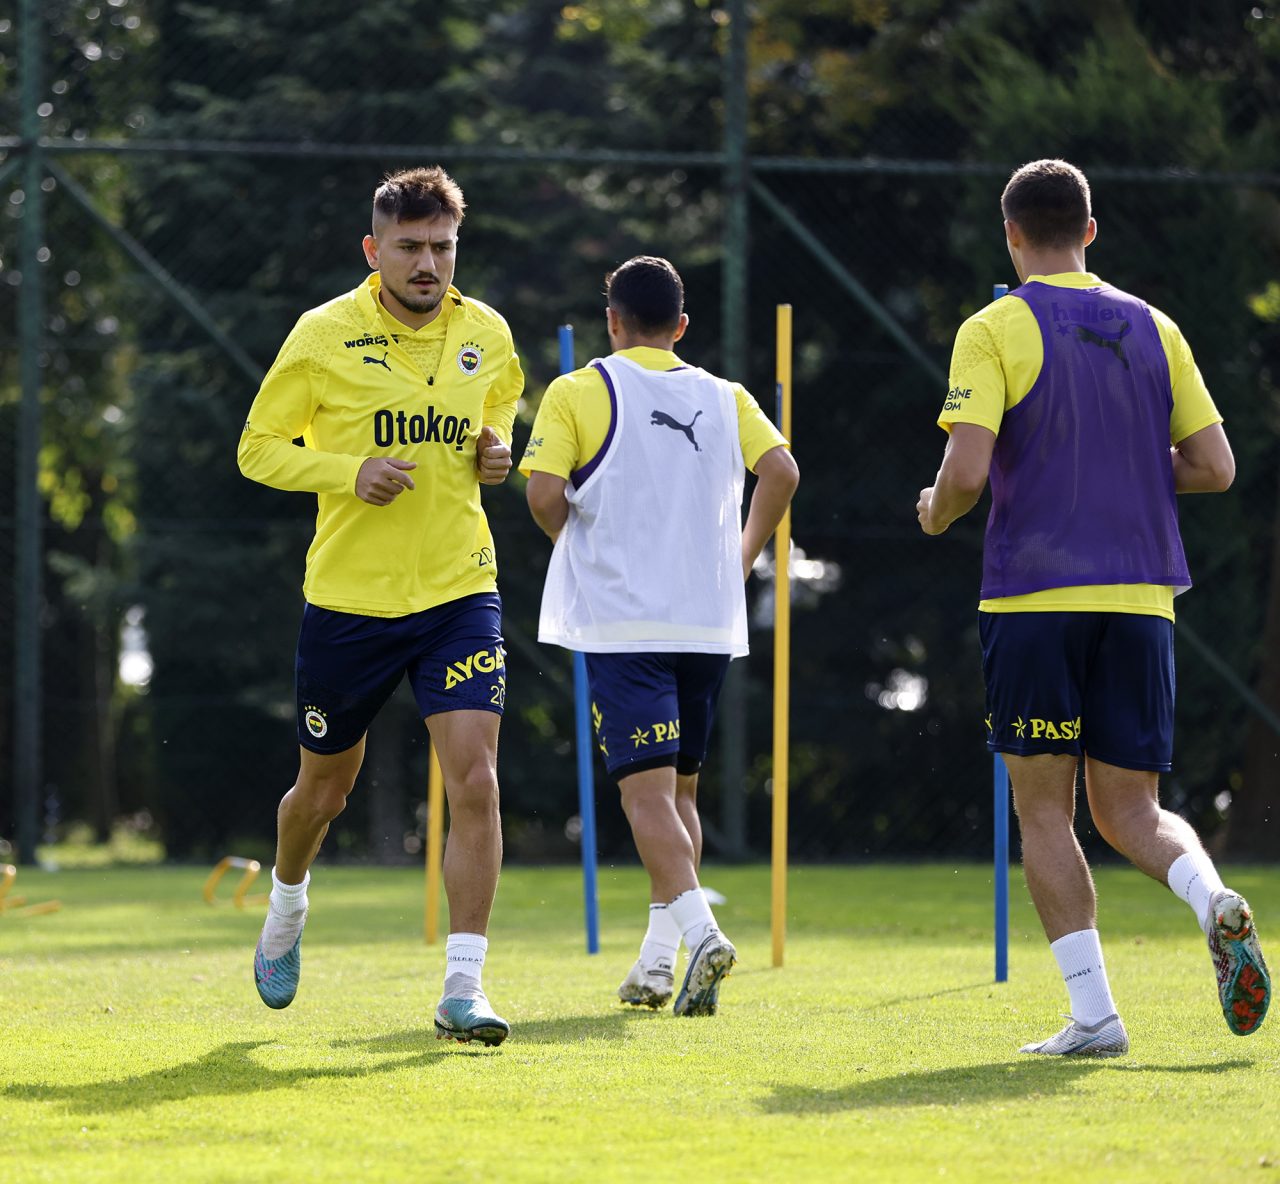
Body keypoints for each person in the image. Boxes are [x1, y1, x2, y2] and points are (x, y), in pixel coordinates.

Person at [917, 158, 1270, 1056]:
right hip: (1143, 596)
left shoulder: (995, 326)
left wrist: (935, 511)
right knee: (1132, 810)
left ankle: (1095, 1017)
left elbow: (965, 474)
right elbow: (1216, 467)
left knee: (1046, 810)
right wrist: (1124, 466)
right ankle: (1212, 899)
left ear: (1011, 234)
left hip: (1034, 595)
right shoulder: (1156, 325)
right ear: (1090, 230)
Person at [237, 165, 522, 1047]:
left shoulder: (486, 331)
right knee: (321, 793)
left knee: (476, 779)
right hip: (350, 602)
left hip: (459, 589)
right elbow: (257, 449)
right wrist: (347, 472)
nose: (427, 263)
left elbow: (502, 405)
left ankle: (463, 987)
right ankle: (288, 904)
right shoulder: (323, 334)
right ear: (374, 250)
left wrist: (499, 450)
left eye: (442, 246)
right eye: (409, 247)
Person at [521, 256, 799, 1016]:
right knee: (679, 793)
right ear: (681, 325)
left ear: (611, 320)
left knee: (644, 796)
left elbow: (542, 493)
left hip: (626, 622)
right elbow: (782, 471)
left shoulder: (578, 390)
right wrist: (742, 556)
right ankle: (655, 964)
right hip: (706, 621)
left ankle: (703, 934)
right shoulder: (726, 394)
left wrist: (575, 544)